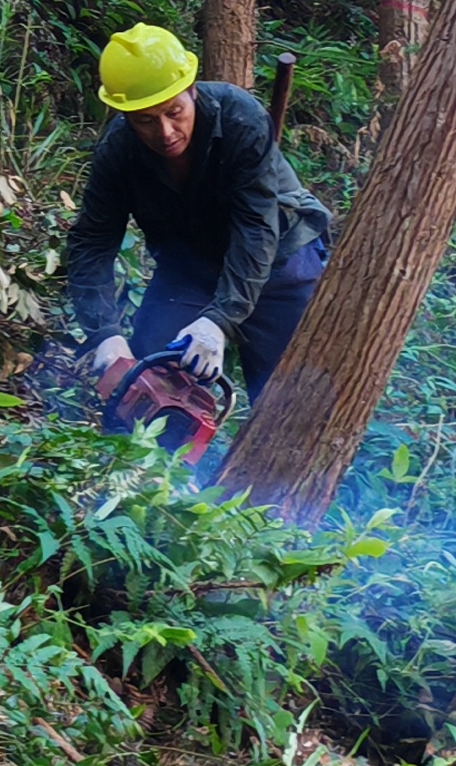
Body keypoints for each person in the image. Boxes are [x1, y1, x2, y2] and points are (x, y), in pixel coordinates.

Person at [58, 23, 329, 456]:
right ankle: (148, 487)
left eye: (174, 113)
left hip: (279, 259)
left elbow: (256, 228)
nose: (164, 132)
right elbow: (91, 242)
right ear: (125, 117)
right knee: (147, 376)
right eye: (145, 121)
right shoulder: (118, 153)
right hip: (190, 265)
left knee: (288, 399)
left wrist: (220, 320)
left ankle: (281, 500)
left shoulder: (241, 119)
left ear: (192, 93)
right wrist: (105, 333)